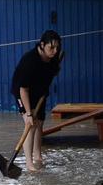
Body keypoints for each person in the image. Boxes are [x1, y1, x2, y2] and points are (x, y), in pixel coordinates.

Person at [9, 30, 63, 171]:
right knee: (31, 124)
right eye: (51, 48)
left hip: (40, 92)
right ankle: (29, 163)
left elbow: (53, 72)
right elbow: (23, 89)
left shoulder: (54, 58)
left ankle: (38, 157)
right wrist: (28, 113)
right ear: (42, 45)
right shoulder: (30, 60)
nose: (55, 51)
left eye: (57, 48)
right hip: (23, 91)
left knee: (39, 123)